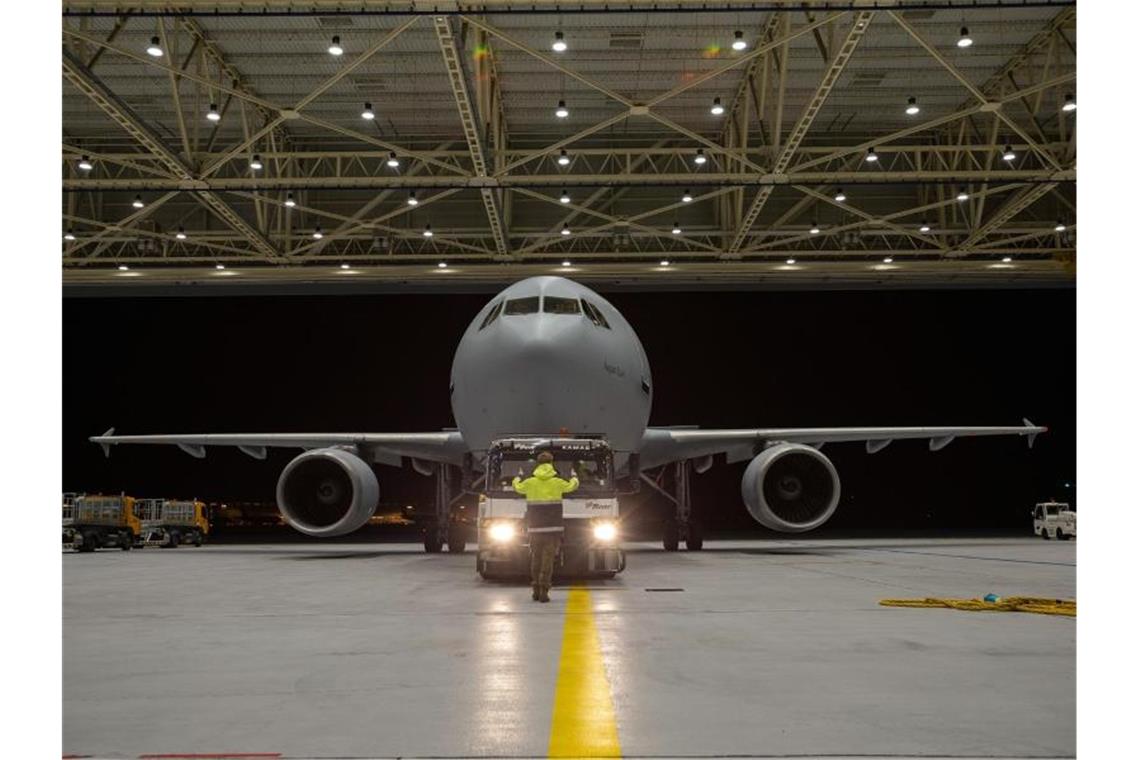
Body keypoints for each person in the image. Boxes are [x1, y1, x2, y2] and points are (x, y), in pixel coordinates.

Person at [512, 451, 578, 602]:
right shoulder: (557, 482)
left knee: (535, 558)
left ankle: (535, 590)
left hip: (535, 529)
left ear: (538, 464)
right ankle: (544, 591)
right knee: (547, 560)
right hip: (553, 529)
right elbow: (571, 487)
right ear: (551, 463)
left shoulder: (530, 483)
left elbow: (517, 487)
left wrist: (518, 477)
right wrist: (574, 477)